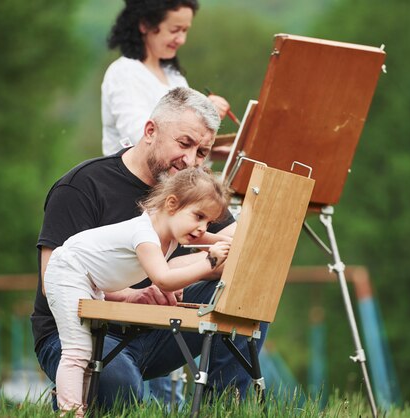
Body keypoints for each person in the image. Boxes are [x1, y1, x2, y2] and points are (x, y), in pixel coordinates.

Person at [31, 87, 268, 411]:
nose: (190, 161)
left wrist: (193, 268)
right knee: (122, 391)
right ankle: (75, 395)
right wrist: (131, 295)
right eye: (184, 144)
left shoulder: (194, 191)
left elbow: (246, 253)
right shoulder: (83, 185)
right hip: (84, 328)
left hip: (157, 329)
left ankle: (223, 408)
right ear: (150, 131)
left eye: (202, 152)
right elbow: (50, 281)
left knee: (250, 287)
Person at [44, 166, 231, 416]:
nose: (202, 228)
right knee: (77, 351)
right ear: (172, 204)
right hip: (68, 270)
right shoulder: (145, 235)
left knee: (89, 354)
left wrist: (232, 243)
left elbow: (213, 239)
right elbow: (164, 280)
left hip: (90, 280)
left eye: (208, 221)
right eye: (199, 217)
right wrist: (210, 261)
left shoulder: (174, 229)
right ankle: (69, 412)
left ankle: (83, 408)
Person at [101, 0, 231, 156]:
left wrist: (209, 147)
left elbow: (183, 139)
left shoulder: (173, 75)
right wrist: (202, 114)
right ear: (145, 25)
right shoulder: (124, 72)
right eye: (175, 30)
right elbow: (141, 137)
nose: (181, 39)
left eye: (185, 30)